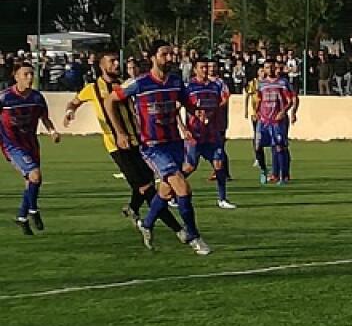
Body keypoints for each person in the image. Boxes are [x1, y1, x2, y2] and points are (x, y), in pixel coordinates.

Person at [64, 50, 187, 239]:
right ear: (101, 65)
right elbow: (74, 102)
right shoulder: (92, 88)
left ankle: (132, 209)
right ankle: (178, 230)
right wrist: (70, 112)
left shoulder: (126, 84)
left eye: (116, 61)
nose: (115, 64)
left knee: (146, 182)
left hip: (139, 140)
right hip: (117, 145)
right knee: (147, 188)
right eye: (111, 61)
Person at [105, 41, 211, 255]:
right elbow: (110, 100)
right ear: (152, 57)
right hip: (152, 146)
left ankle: (147, 223)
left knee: (166, 189)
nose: (169, 58)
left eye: (171, 54)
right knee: (183, 188)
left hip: (174, 142)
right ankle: (194, 237)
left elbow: (184, 101)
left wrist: (195, 111)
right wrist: (120, 132)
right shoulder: (139, 83)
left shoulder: (175, 81)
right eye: (164, 54)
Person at [1, 62, 59, 235]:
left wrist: (52, 131)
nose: (29, 77)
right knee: (35, 175)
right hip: (12, 144)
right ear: (16, 76)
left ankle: (21, 217)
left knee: (32, 181)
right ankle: (33, 211)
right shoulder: (5, 98)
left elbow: (45, 118)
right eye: (25, 74)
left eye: (31, 74)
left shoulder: (37, 98)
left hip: (31, 143)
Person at [182, 58, 236, 209]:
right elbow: (178, 107)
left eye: (207, 67)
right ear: (195, 69)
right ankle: (171, 190)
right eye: (202, 67)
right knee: (190, 167)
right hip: (195, 134)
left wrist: (213, 117)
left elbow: (220, 105)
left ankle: (222, 198)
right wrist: (184, 128)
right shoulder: (189, 87)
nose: (205, 70)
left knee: (219, 165)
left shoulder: (215, 86)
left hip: (212, 134)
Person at [257, 59, 299, 184]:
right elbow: (259, 100)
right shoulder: (261, 84)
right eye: (266, 67)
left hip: (278, 120)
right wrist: (257, 112)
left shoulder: (282, 83)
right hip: (264, 119)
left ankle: (283, 175)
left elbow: (291, 99)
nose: (269, 70)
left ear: (275, 68)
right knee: (258, 146)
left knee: (280, 146)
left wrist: (284, 112)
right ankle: (267, 171)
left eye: (271, 67)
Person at [245, 65, 269, 181]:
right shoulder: (253, 83)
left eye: (264, 70)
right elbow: (248, 97)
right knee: (257, 138)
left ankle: (279, 172)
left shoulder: (269, 83)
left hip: (269, 115)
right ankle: (261, 163)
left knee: (275, 142)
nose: (263, 72)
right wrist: (248, 111)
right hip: (257, 115)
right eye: (261, 70)